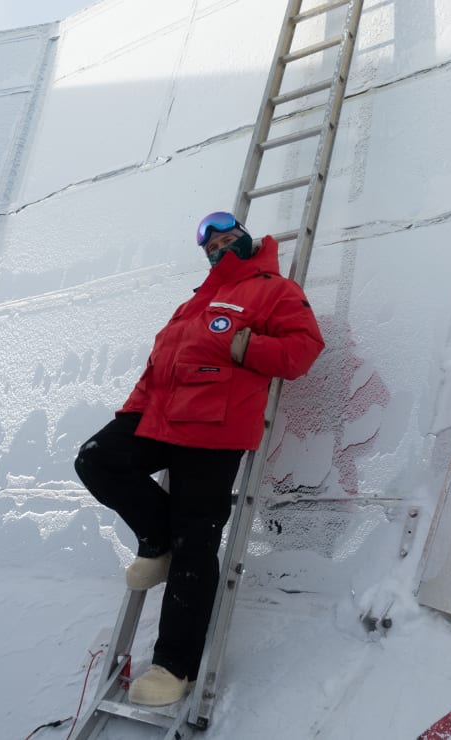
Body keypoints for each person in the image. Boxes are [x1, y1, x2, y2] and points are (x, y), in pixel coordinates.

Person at [73, 211, 324, 706]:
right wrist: (132, 414)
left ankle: (174, 666)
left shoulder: (274, 289)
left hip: (215, 431)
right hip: (159, 418)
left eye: (228, 236)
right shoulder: (193, 302)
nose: (218, 245)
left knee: (197, 541)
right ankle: (155, 538)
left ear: (247, 239)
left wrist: (243, 344)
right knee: (96, 459)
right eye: (209, 243)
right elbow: (157, 368)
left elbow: (303, 350)